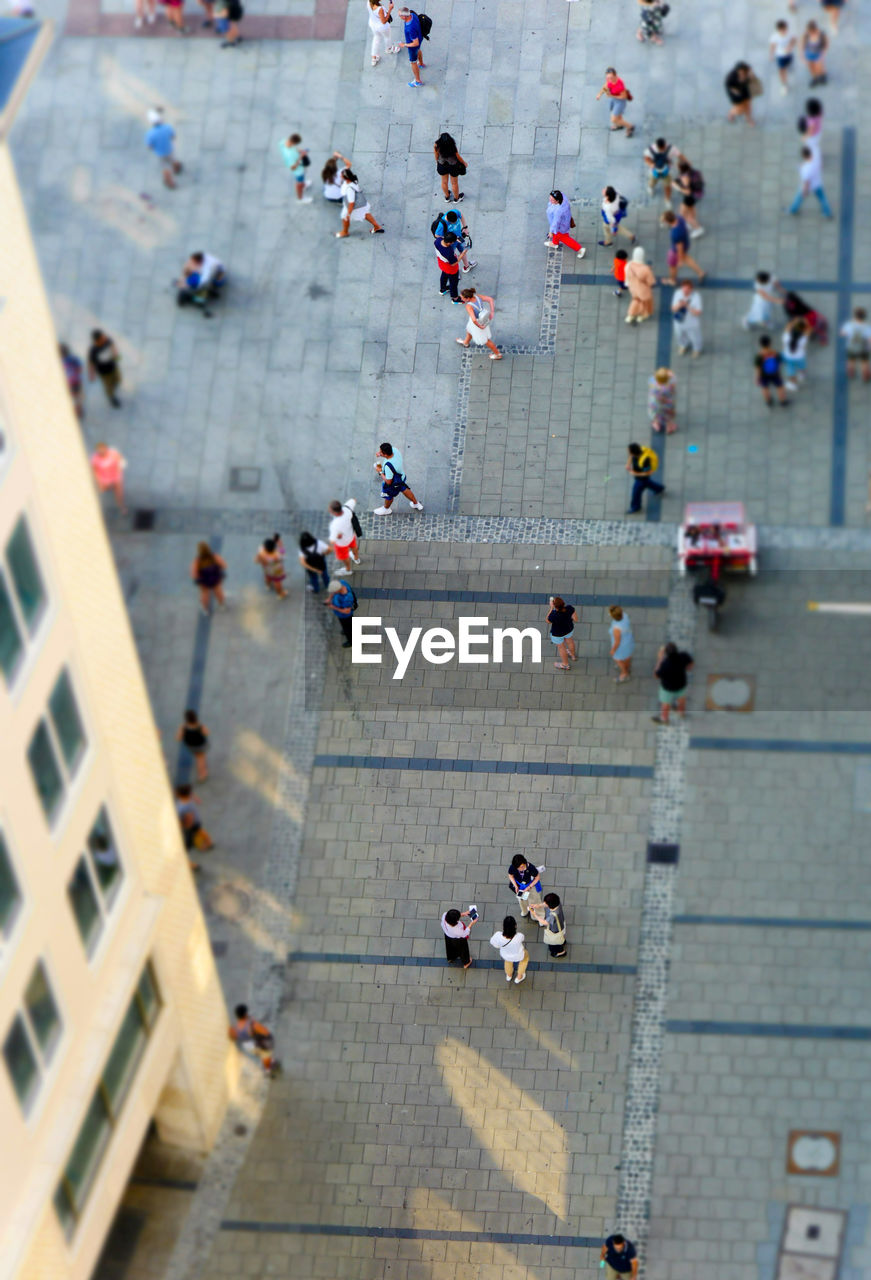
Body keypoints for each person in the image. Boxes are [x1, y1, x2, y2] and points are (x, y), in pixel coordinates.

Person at [229, 1004, 279, 1077]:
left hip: (249, 1047)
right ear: (245, 1013)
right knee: (265, 1056)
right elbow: (265, 1032)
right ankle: (267, 1071)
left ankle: (270, 1062)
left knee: (263, 1055)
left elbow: (234, 1036)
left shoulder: (236, 1027)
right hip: (259, 1044)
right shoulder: (252, 1024)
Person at [373, 443, 424, 515]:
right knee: (404, 489)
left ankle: (386, 509)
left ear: (385, 455)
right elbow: (389, 453)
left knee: (388, 495)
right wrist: (380, 454)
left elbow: (388, 482)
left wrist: (380, 472)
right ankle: (416, 503)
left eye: (381, 452)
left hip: (394, 483)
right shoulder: (395, 450)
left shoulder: (388, 466)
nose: (379, 452)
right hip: (401, 478)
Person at [652, 642, 693, 725]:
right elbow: (691, 665)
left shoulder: (665, 664)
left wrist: (660, 659)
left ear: (666, 653)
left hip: (668, 689)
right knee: (681, 701)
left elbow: (656, 675)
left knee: (665, 705)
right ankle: (681, 713)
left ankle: (664, 719)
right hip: (681, 685)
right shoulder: (683, 656)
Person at [336, 167, 384, 238]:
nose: (340, 176)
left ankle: (345, 232)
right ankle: (377, 227)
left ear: (346, 178)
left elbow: (351, 203)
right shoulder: (353, 181)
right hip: (360, 204)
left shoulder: (349, 189)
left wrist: (348, 214)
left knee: (345, 217)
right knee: (365, 213)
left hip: (353, 206)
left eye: (341, 175)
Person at [661, 210, 704, 286]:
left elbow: (679, 247)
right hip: (686, 243)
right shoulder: (679, 218)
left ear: (668, 221)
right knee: (687, 259)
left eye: (664, 221)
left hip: (676, 251)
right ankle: (700, 272)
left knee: (672, 265)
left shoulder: (675, 233)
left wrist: (679, 260)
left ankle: (672, 280)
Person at [457, 288, 502, 359]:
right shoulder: (477, 296)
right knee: (469, 330)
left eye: (462, 298)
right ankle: (466, 342)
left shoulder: (469, 306)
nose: (461, 299)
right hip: (483, 318)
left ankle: (498, 354)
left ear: (467, 298)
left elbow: (474, 320)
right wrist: (492, 312)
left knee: (485, 340)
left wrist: (480, 327)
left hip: (478, 323)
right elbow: (490, 299)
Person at [789, 144, 833, 218]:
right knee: (822, 198)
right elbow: (820, 166)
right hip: (818, 183)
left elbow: (807, 182)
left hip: (810, 186)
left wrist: (805, 191)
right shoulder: (816, 159)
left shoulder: (806, 170)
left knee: (799, 198)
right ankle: (827, 212)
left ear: (803, 156)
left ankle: (793, 210)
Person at [175, 783, 214, 866]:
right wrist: (197, 800)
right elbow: (195, 797)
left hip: (189, 826)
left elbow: (188, 819)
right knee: (200, 831)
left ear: (180, 794)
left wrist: (182, 826)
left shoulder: (183, 807)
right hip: (196, 821)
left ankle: (191, 864)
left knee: (185, 847)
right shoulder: (188, 798)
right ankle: (209, 842)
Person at [145, 107, 183, 189]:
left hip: (161, 153)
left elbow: (149, 146)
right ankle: (177, 168)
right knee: (173, 159)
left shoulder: (150, 134)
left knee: (165, 168)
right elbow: (173, 137)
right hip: (170, 149)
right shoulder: (167, 127)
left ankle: (170, 182)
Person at [431, 207, 477, 273]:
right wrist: (449, 239)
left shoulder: (455, 212)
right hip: (451, 242)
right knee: (453, 258)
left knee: (463, 250)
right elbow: (437, 235)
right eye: (454, 222)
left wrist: (465, 227)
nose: (456, 223)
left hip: (459, 237)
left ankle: (466, 266)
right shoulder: (442, 225)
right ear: (449, 221)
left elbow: (461, 215)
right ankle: (454, 272)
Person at [544, 190, 585, 258]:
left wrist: (551, 232)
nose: (550, 200)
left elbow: (555, 223)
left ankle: (580, 249)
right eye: (550, 197)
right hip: (564, 223)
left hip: (560, 227)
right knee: (556, 234)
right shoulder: (562, 197)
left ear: (557, 201)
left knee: (565, 239)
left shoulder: (558, 211)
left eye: (552, 200)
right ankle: (555, 243)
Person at [626, 442, 664, 514]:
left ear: (634, 452)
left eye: (629, 451)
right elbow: (631, 456)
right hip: (641, 478)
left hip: (641, 479)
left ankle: (636, 507)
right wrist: (628, 464)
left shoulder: (645, 460)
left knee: (636, 492)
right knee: (648, 483)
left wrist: (635, 473)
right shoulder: (638, 451)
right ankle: (659, 488)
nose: (628, 452)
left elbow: (648, 472)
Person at [489, 916, 530, 984]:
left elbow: (492, 942)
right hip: (518, 954)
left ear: (503, 926)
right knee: (524, 960)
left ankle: (509, 975)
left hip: (506, 955)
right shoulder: (519, 936)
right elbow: (523, 938)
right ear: (515, 926)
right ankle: (519, 977)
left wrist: (499, 946)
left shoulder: (497, 935)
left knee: (508, 962)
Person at [87, 330, 122, 408]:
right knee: (108, 387)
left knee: (118, 380)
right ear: (97, 341)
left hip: (113, 366)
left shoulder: (107, 341)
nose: (104, 338)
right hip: (104, 373)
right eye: (102, 338)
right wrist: (91, 374)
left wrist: (116, 355)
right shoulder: (93, 351)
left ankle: (115, 385)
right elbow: (91, 364)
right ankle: (112, 398)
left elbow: (113, 347)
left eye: (104, 336)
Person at [643, 137, 683, 206]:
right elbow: (646, 159)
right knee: (652, 182)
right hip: (655, 171)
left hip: (666, 172)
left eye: (663, 148)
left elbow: (679, 155)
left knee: (667, 186)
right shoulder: (650, 150)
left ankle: (667, 199)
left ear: (665, 145)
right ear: (657, 146)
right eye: (660, 149)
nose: (662, 150)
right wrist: (651, 164)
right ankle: (650, 187)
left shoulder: (670, 148)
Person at [190, 541, 227, 614]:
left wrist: (198, 578)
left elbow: (194, 574)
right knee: (219, 593)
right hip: (215, 579)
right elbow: (224, 565)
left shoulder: (197, 561)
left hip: (204, 581)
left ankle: (205, 609)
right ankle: (221, 605)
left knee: (205, 595)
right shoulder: (214, 557)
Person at [596, 67, 634, 137]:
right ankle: (619, 125)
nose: (609, 79)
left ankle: (630, 126)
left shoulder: (620, 84)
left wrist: (611, 95)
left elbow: (624, 97)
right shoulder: (609, 80)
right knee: (618, 117)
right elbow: (605, 87)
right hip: (614, 100)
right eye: (607, 77)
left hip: (620, 102)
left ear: (615, 75)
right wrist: (599, 94)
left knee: (613, 119)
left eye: (611, 77)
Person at [754, 335, 791, 408]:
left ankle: (768, 401)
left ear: (760, 344)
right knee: (780, 387)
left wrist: (757, 378)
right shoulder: (775, 353)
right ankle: (782, 401)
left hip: (764, 375)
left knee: (765, 388)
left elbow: (758, 369)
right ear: (770, 343)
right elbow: (780, 363)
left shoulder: (758, 356)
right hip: (775, 373)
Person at [90, 442, 127, 513]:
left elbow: (121, 459)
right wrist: (99, 482)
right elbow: (94, 470)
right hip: (105, 478)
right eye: (100, 452)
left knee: (119, 492)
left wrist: (120, 467)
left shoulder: (113, 452)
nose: (102, 453)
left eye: (103, 450)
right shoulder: (95, 458)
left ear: (106, 448)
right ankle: (110, 488)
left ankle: (122, 506)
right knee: (103, 489)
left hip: (116, 476)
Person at [327, 498, 361, 573]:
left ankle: (348, 570)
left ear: (334, 512)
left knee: (344, 557)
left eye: (330, 510)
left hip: (341, 543)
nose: (329, 511)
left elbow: (332, 540)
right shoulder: (347, 509)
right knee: (353, 547)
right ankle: (356, 558)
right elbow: (354, 500)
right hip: (351, 536)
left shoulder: (335, 525)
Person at [671, 280, 703, 356]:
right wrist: (679, 305)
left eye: (687, 289)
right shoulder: (678, 293)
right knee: (679, 335)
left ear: (691, 289)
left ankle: (697, 349)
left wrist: (687, 306)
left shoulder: (696, 297)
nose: (685, 291)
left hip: (691, 323)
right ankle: (683, 345)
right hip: (679, 322)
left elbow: (698, 312)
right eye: (683, 288)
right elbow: (673, 309)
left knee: (695, 337)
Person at [176, 709, 210, 782]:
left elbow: (178, 738)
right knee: (201, 759)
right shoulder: (200, 725)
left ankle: (203, 772)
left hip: (191, 746)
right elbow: (206, 733)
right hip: (201, 745)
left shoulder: (183, 727)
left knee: (198, 758)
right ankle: (202, 774)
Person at [624, 247, 655, 324]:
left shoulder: (629, 265)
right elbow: (651, 282)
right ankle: (642, 315)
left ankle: (631, 315)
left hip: (633, 288)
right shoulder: (645, 269)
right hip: (643, 290)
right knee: (645, 302)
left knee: (636, 300)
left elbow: (627, 278)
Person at [545, 596, 577, 671]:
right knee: (570, 642)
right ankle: (572, 655)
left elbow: (547, 620)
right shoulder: (569, 608)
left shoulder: (554, 615)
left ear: (555, 606)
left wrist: (551, 608)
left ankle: (565, 664)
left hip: (557, 634)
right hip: (569, 629)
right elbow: (576, 619)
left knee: (561, 648)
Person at [674, 160, 705, 237]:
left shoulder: (685, 177)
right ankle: (690, 223)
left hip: (689, 197)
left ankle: (698, 228)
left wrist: (677, 187)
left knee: (684, 215)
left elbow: (687, 191)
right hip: (697, 194)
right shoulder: (695, 172)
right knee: (691, 209)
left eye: (678, 166)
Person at [324, 578, 357, 647]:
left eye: (334, 592)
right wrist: (329, 599)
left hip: (345, 616)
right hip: (341, 615)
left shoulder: (347, 598)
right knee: (347, 626)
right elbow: (333, 592)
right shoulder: (341, 583)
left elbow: (347, 611)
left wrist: (333, 607)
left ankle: (351, 641)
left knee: (348, 629)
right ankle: (346, 630)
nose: (333, 593)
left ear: (338, 590)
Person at [531, 893, 566, 957]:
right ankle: (563, 941)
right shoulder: (557, 903)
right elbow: (545, 904)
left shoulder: (552, 915)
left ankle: (561, 952)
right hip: (562, 925)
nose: (544, 903)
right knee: (562, 936)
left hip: (555, 931)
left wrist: (534, 914)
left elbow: (545, 922)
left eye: (546, 903)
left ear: (549, 905)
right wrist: (537, 906)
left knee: (555, 945)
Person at [841, 307, 871, 382]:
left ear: (855, 316)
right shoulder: (867, 327)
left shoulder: (849, 325)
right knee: (865, 362)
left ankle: (850, 373)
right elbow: (869, 339)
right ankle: (865, 376)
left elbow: (842, 333)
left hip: (851, 347)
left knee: (851, 361)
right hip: (864, 348)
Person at [434, 132, 465, 203]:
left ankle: (447, 197)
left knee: (444, 182)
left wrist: (438, 162)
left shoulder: (436, 145)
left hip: (442, 164)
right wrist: (463, 163)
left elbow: (436, 155)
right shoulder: (452, 146)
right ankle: (456, 198)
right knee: (454, 183)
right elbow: (458, 156)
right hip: (453, 165)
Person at [280, 133, 312, 203]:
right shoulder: (289, 155)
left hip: (300, 168)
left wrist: (300, 151)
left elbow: (294, 148)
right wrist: (300, 157)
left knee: (302, 180)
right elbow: (293, 168)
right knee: (299, 184)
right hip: (298, 171)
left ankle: (304, 184)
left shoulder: (284, 141)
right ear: (293, 143)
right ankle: (300, 198)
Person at [397, 6, 425, 86]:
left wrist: (404, 45)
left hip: (413, 46)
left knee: (413, 62)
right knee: (418, 50)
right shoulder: (413, 14)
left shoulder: (410, 28)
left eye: (400, 15)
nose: (399, 17)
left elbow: (415, 43)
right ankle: (421, 64)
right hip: (420, 38)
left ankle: (417, 81)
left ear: (404, 16)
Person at [647, 367, 677, 435]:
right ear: (667, 379)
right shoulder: (667, 387)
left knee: (656, 415)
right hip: (666, 404)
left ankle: (656, 424)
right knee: (668, 416)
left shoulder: (652, 381)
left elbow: (656, 376)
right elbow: (673, 386)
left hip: (654, 404)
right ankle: (669, 427)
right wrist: (672, 376)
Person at [782, 318, 810, 390]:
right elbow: (808, 330)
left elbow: (787, 327)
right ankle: (802, 375)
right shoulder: (803, 338)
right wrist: (805, 323)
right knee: (802, 366)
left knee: (791, 371)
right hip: (800, 356)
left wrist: (793, 321)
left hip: (788, 356)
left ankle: (793, 384)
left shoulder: (786, 336)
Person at [608, 606, 634, 682]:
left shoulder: (617, 628)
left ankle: (624, 673)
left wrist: (613, 650)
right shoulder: (625, 615)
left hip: (621, 647)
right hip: (628, 641)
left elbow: (617, 642)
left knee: (618, 660)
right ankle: (627, 667)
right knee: (627, 657)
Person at [435, 230, 462, 302]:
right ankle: (455, 298)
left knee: (444, 275)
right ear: (449, 243)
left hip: (442, 264)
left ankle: (443, 289)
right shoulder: (449, 251)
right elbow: (454, 263)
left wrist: (455, 239)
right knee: (453, 282)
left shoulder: (437, 241)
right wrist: (463, 253)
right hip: (451, 269)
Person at [770, 19, 796, 94]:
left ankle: (789, 67)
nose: (784, 31)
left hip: (789, 54)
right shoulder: (775, 37)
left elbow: (794, 40)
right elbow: (772, 46)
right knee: (781, 70)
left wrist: (790, 46)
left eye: (785, 29)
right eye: (782, 30)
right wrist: (771, 55)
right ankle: (784, 84)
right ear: (778, 29)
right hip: (780, 56)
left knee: (788, 65)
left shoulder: (790, 34)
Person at [59, 343, 85, 418]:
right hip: (76, 381)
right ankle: (78, 410)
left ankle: (77, 411)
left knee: (73, 398)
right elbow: (80, 369)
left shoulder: (61, 361)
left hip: (69, 383)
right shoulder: (73, 358)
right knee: (77, 397)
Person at [802, 21, 828, 85]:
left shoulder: (821, 34)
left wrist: (823, 53)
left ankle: (822, 75)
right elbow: (802, 44)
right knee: (811, 67)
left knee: (819, 68)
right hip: (809, 53)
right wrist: (802, 56)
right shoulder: (806, 35)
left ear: (814, 29)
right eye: (809, 31)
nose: (810, 32)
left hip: (818, 53)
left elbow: (826, 44)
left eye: (811, 31)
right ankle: (815, 78)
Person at [367, 0, 393, 65]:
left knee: (376, 38)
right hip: (382, 27)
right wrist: (390, 9)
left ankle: (374, 57)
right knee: (387, 37)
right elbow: (383, 21)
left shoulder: (369, 2)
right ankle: (389, 48)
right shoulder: (380, 9)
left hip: (373, 24)